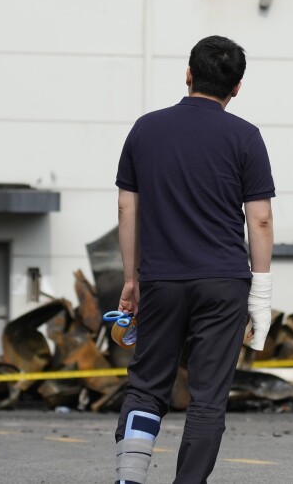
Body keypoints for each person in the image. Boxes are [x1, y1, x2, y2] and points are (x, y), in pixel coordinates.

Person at [110, 35, 275, 484]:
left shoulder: (145, 129)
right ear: (236, 88)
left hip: (161, 279)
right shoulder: (246, 137)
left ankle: (129, 479)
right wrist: (260, 297)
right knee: (207, 399)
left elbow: (128, 208)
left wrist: (132, 279)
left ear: (188, 74)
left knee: (146, 389)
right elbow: (258, 220)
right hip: (224, 283)